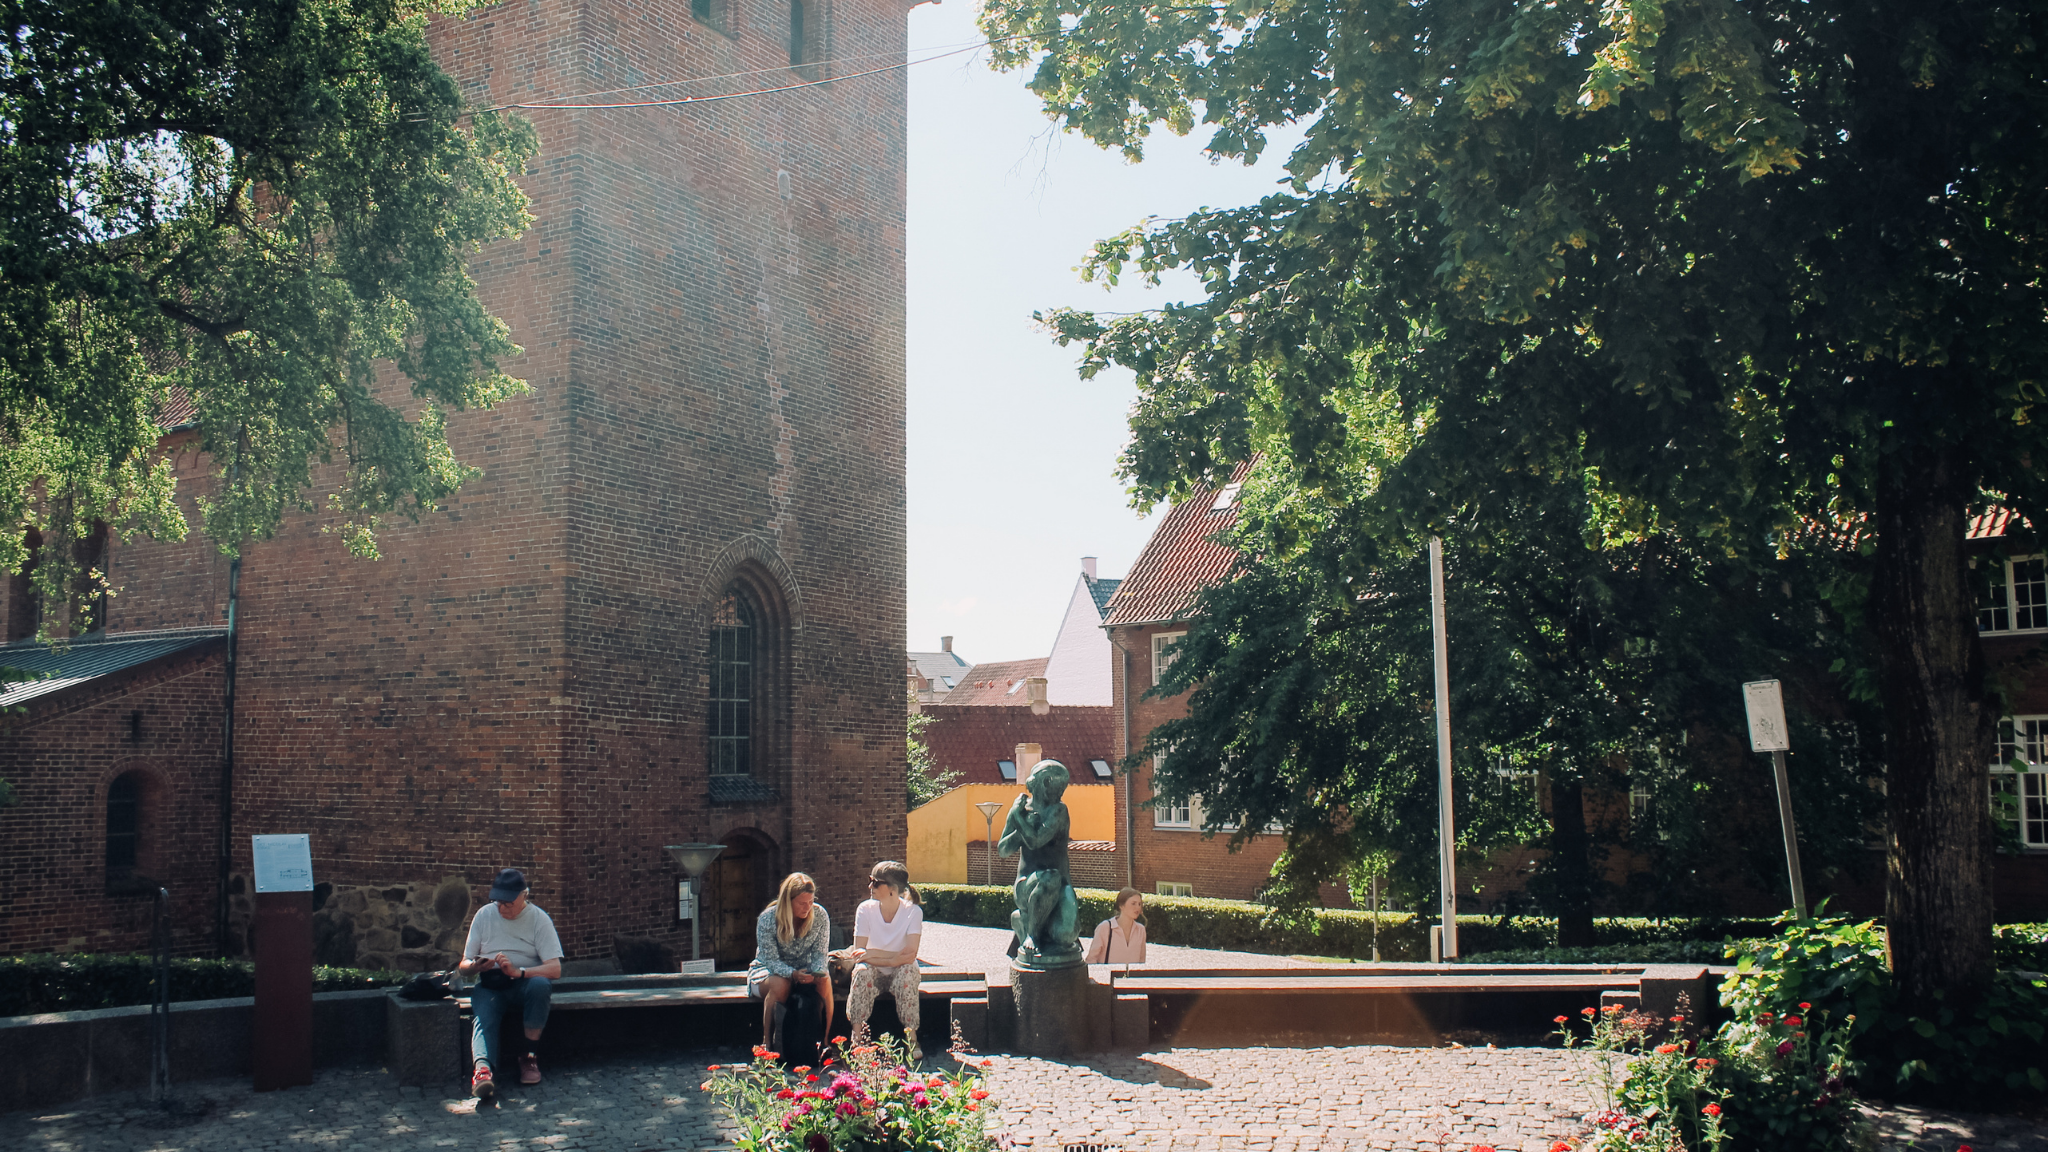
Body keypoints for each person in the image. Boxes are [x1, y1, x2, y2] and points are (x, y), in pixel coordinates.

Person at [458, 868, 564, 1100]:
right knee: (484, 1015)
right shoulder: (484, 915)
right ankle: (483, 1072)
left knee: (541, 986)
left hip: (523, 983)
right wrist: (476, 966)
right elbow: (463, 966)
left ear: (523, 895)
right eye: (498, 902)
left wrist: (519, 972)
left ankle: (529, 1057)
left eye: (508, 903)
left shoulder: (539, 919)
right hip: (491, 984)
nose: (502, 907)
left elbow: (555, 969)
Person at [846, 860, 924, 1058]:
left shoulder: (913, 912)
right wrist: (889, 957)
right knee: (861, 973)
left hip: (901, 969)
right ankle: (857, 1040)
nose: (870, 886)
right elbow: (859, 953)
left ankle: (912, 1039)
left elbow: (910, 955)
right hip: (873, 968)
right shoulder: (865, 909)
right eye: (870, 880)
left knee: (907, 974)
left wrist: (874, 954)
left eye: (875, 882)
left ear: (892, 888)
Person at [748, 872, 832, 1051]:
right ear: (788, 901)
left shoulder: (819, 915)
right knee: (781, 984)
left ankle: (823, 1042)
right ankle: (768, 1044)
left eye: (810, 902)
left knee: (825, 981)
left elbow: (820, 953)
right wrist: (793, 974)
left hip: (804, 968)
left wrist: (817, 972)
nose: (807, 907)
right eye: (802, 903)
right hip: (768, 971)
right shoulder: (768, 918)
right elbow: (770, 959)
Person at [1085, 887, 1148, 966]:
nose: (1137, 907)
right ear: (1122, 906)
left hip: (1131, 977)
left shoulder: (1140, 930)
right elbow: (1091, 959)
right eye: (1133, 903)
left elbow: (1141, 962)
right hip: (1108, 976)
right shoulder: (1105, 927)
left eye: (1139, 904)